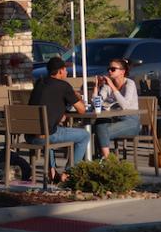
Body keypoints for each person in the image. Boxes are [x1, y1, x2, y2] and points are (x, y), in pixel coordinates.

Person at [27, 56, 88, 184]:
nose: (67, 72)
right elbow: (82, 110)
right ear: (60, 71)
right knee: (84, 136)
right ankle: (68, 173)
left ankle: (52, 172)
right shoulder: (64, 86)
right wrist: (77, 97)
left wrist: (61, 113)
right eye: (65, 70)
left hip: (30, 135)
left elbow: (49, 104)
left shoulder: (39, 83)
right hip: (47, 136)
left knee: (50, 129)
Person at [93, 58, 141, 159]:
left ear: (122, 72)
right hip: (113, 119)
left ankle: (105, 160)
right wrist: (96, 87)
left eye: (113, 69)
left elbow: (125, 105)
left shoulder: (129, 84)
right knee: (98, 124)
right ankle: (105, 158)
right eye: (108, 69)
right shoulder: (107, 86)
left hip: (131, 121)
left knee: (100, 132)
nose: (109, 71)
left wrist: (112, 86)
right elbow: (97, 103)